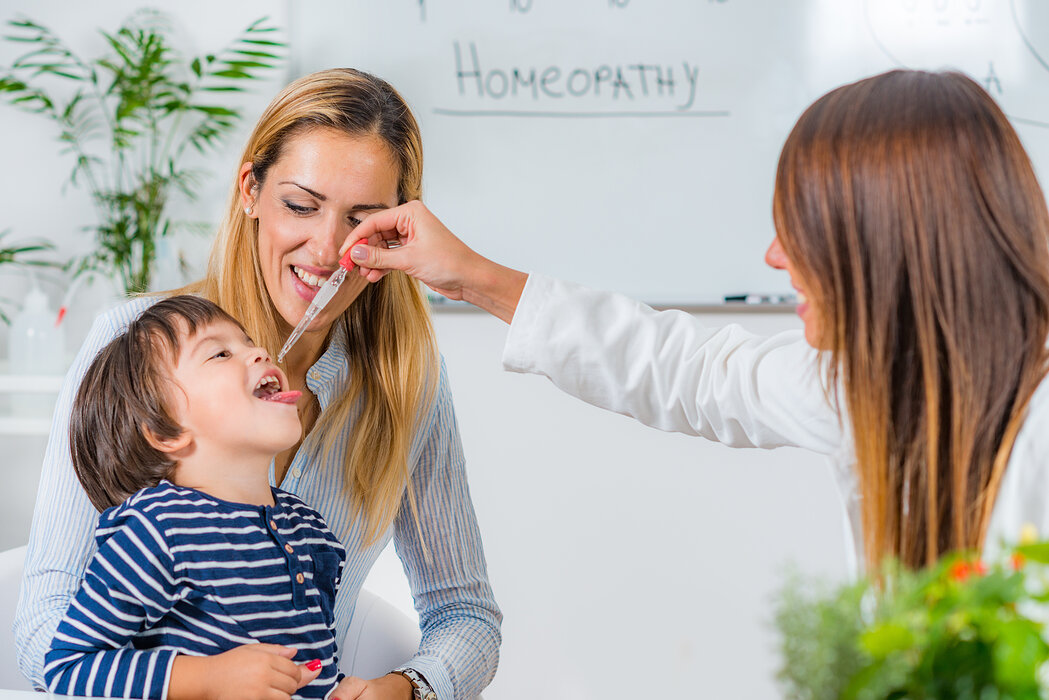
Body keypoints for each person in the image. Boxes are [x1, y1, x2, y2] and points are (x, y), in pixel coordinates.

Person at [342, 69, 1049, 573]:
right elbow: (683, 371)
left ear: (885, 243)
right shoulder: (864, 382)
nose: (774, 257)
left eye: (801, 231)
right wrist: (473, 276)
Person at [16, 68, 501, 700]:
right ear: (250, 189)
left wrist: (406, 688)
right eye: (300, 206)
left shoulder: (404, 387)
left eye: (363, 220)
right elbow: (45, 640)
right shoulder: (133, 347)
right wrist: (201, 682)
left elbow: (466, 616)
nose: (327, 250)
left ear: (397, 229)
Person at [48, 295, 344, 699]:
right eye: (221, 353)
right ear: (166, 432)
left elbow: (315, 669)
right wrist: (209, 678)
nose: (259, 352)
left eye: (249, 342)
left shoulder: (311, 530)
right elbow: (68, 668)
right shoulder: (157, 530)